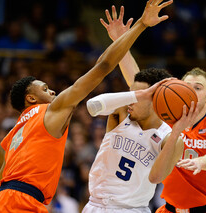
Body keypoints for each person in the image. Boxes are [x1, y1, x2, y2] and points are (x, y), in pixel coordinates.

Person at [0, 0, 174, 212]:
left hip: (1, 200)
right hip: (26, 201)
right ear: (31, 98)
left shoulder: (15, 132)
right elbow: (104, 67)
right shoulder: (50, 110)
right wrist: (140, 24)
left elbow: (0, 180)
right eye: (45, 89)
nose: (53, 92)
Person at [82, 5, 198, 213]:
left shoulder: (169, 138)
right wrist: (120, 41)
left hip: (132, 209)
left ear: (155, 102)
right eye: (132, 94)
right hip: (95, 206)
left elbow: (156, 177)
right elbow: (94, 105)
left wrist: (176, 133)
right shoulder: (121, 113)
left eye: (140, 96)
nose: (132, 99)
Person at [151, 68, 206, 213]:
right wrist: (123, 51)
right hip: (168, 209)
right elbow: (136, 82)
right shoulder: (166, 124)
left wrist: (201, 162)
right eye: (187, 86)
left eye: (198, 88)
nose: (192, 91)